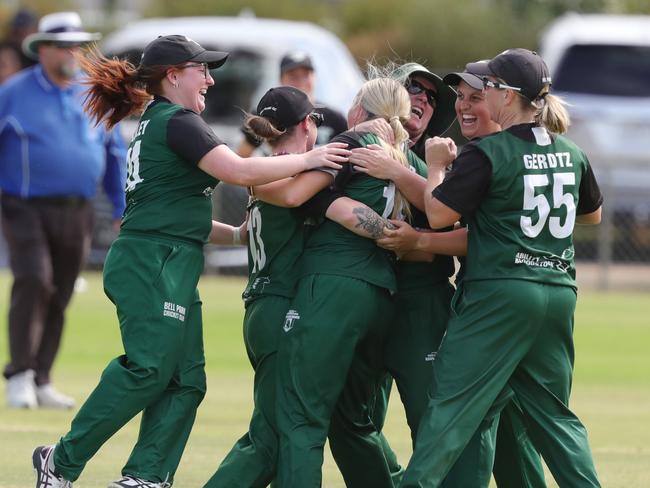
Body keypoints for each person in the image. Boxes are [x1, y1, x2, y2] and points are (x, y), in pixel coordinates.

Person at [30, 34, 348, 488]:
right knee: (149, 368)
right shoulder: (178, 120)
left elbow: (168, 211)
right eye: (201, 70)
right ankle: (60, 461)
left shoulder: (164, 121)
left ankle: (145, 477)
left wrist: (234, 233)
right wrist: (313, 158)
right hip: (151, 261)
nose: (210, 79)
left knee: (187, 381)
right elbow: (238, 172)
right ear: (173, 76)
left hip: (169, 258)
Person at [399, 48, 603, 488]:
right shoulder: (571, 151)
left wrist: (435, 167)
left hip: (500, 293)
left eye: (488, 87)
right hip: (557, 292)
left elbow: (437, 215)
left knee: (449, 410)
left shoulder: (489, 152)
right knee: (555, 418)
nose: (480, 94)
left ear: (507, 97)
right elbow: (591, 216)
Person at [273, 77, 414, 488]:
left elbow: (292, 195)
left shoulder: (352, 141)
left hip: (333, 287)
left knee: (301, 416)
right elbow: (436, 206)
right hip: (382, 293)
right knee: (352, 418)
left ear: (358, 109)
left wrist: (248, 176)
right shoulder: (406, 157)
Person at [0, 11, 125, 410]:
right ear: (44, 51)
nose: (74, 52)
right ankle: (18, 373)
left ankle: (41, 377)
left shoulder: (92, 91)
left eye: (77, 45)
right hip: (23, 204)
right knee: (35, 279)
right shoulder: (15, 91)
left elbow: (114, 152)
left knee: (62, 290)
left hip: (78, 209)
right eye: (65, 46)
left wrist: (121, 207)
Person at [236, 50, 347, 157]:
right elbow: (242, 158)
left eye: (306, 75)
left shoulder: (335, 118)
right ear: (281, 80)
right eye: (293, 76)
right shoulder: (266, 115)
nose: (301, 81)